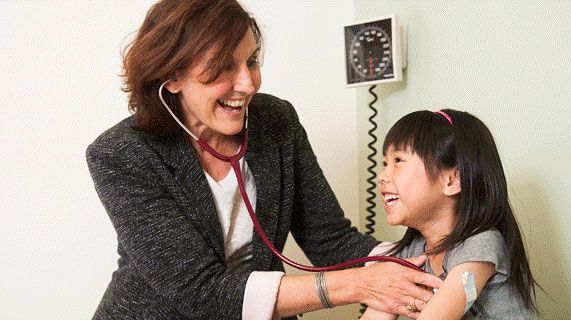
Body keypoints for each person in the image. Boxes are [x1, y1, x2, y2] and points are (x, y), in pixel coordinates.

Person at [86, 0, 441, 319]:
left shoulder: (275, 121)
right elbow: (203, 291)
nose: (248, 83)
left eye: (251, 61)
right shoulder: (121, 155)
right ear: (172, 77)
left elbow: (331, 241)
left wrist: (425, 257)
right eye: (223, 67)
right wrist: (361, 284)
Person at [361, 110, 539, 319]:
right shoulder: (409, 254)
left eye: (398, 160)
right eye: (385, 163)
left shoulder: (481, 246)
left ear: (452, 180)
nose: (382, 176)